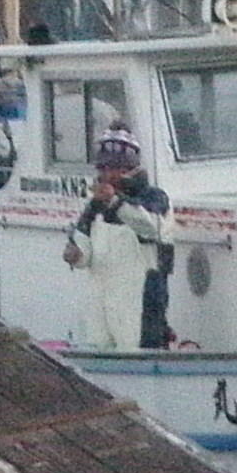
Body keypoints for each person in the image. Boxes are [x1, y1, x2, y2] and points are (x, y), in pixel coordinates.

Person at [62, 129, 178, 350]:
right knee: (97, 348)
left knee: (140, 350)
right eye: (103, 168)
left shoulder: (154, 198)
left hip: (141, 301)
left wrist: (115, 202)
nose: (108, 174)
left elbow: (152, 227)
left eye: (115, 168)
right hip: (101, 301)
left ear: (130, 169)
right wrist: (75, 255)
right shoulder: (95, 205)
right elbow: (82, 242)